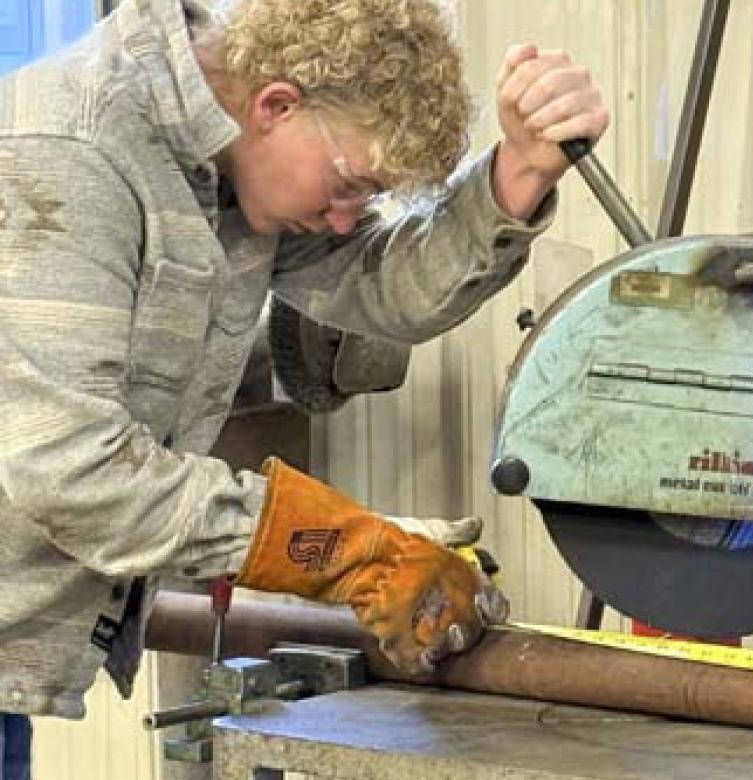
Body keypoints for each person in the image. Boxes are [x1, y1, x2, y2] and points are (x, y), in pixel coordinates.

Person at [0, 0, 608, 774]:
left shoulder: (232, 161)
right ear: (276, 104)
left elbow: (381, 283)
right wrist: (349, 552)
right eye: (350, 184)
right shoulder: (73, 151)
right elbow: (73, 470)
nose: (347, 218)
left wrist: (516, 174)